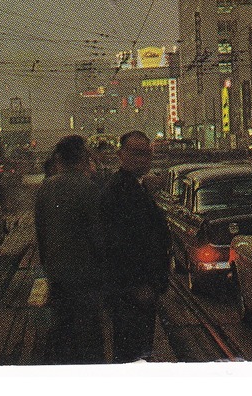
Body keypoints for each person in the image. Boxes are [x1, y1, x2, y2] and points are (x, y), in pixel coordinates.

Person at [33, 135, 107, 364]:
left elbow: (41, 234)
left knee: (63, 337)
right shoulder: (89, 188)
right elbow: (98, 236)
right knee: (90, 341)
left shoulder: (45, 188)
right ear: (82, 158)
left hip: (58, 278)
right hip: (86, 280)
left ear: (59, 159)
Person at [97, 130, 170, 362]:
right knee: (133, 356)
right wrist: (139, 284)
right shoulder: (119, 191)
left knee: (136, 354)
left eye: (146, 153)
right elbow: (120, 245)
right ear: (120, 155)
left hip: (137, 291)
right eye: (135, 153)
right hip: (133, 292)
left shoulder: (133, 186)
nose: (142, 159)